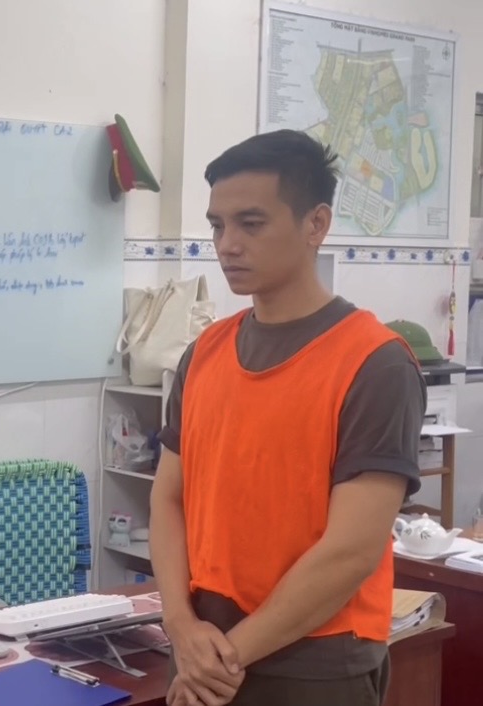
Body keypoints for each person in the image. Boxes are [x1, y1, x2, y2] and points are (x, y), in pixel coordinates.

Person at [149, 130, 426, 706]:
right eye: (217, 226)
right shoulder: (205, 353)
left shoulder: (374, 363)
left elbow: (350, 552)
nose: (227, 245)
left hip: (313, 663)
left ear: (315, 224)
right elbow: (168, 498)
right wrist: (180, 625)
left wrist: (224, 657)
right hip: (204, 645)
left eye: (251, 224)